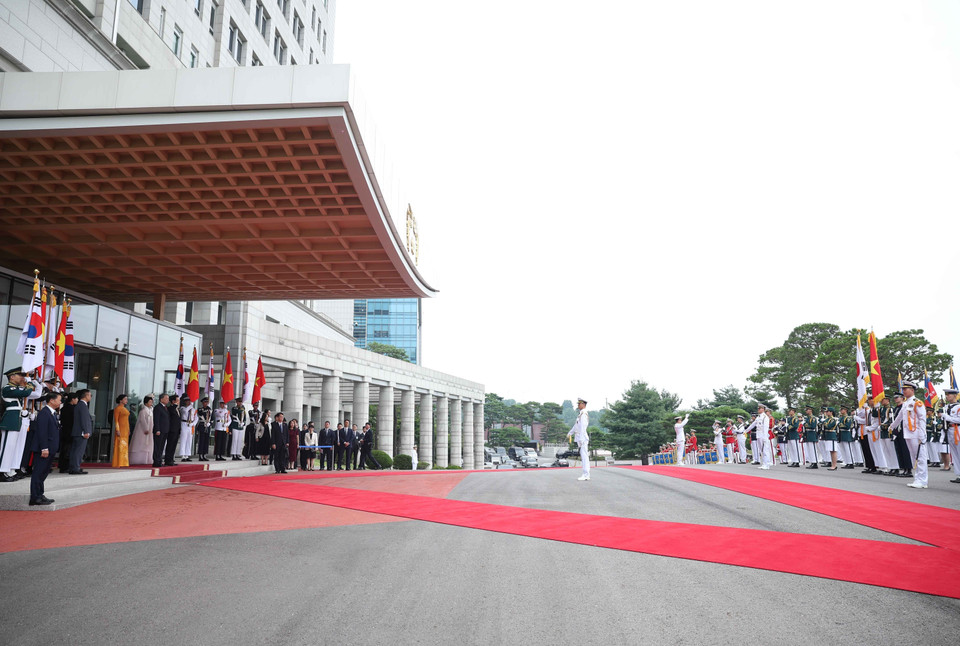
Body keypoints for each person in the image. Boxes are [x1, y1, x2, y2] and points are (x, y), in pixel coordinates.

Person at [1, 368, 36, 482]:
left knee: (13, 447)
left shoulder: (16, 388)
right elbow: (26, 392)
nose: (22, 377)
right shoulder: (8, 388)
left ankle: (9, 470)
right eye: (19, 375)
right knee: (6, 447)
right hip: (10, 420)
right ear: (12, 377)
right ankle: (2, 471)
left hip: (16, 419)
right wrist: (29, 383)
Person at [892, 381, 927, 489]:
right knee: (914, 457)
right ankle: (917, 479)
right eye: (903, 389)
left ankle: (922, 481)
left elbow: (922, 419)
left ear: (912, 390)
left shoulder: (917, 402)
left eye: (905, 389)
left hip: (916, 433)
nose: (903, 391)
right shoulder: (906, 403)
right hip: (908, 433)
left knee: (920, 457)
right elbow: (899, 417)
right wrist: (892, 426)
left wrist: (922, 434)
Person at [30, 391, 62, 506]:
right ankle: (35, 497)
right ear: (52, 400)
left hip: (50, 448)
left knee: (43, 473)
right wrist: (44, 448)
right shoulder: (44, 413)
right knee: (38, 473)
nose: (60, 402)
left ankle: (40, 494)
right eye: (59, 400)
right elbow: (42, 432)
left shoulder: (51, 413)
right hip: (44, 449)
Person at [566, 398, 590, 481]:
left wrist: (582, 439)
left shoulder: (583, 414)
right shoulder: (580, 414)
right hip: (580, 437)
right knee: (583, 457)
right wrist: (570, 433)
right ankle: (585, 474)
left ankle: (586, 474)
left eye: (579, 404)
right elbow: (576, 426)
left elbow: (583, 427)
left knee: (584, 457)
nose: (578, 405)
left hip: (582, 438)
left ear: (583, 404)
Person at [69, 388, 93, 474]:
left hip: (78, 432)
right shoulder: (82, 405)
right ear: (86, 396)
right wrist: (86, 431)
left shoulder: (80, 405)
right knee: (78, 451)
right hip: (81, 432)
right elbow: (84, 420)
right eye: (90, 395)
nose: (90, 397)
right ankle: (75, 468)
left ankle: (74, 467)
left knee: (75, 450)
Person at [939, 388, 960, 483]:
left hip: (957, 430)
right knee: (954, 454)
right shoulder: (946, 407)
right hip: (949, 430)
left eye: (949, 394)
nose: (947, 396)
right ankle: (958, 474)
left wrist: (946, 417)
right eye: (946, 395)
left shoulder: (958, 407)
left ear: (955, 395)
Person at [129, 395, 154, 465]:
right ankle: (138, 459)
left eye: (151, 402)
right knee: (140, 443)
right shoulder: (143, 411)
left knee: (148, 444)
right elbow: (142, 420)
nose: (151, 403)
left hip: (150, 431)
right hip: (142, 431)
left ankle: (147, 459)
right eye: (150, 402)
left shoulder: (151, 411)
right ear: (146, 403)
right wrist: (146, 429)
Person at [57, 392, 78, 473]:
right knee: (68, 449)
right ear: (72, 399)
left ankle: (62, 466)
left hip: (64, 430)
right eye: (76, 398)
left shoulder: (64, 408)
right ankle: (66, 466)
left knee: (64, 449)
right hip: (70, 431)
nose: (77, 400)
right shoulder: (72, 409)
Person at [112, 394, 131, 467]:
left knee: (124, 446)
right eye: (125, 399)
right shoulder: (117, 409)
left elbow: (127, 421)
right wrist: (117, 430)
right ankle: (118, 462)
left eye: (126, 399)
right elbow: (116, 420)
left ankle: (124, 462)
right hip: (121, 429)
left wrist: (128, 429)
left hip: (125, 429)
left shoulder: (125, 408)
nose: (126, 400)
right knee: (120, 445)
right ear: (120, 400)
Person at [151, 393, 170, 468]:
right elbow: (156, 420)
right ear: (161, 399)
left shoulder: (165, 408)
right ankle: (156, 461)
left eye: (168, 398)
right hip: (159, 430)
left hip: (165, 430)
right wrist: (157, 429)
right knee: (157, 446)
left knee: (161, 446)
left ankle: (159, 460)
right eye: (166, 398)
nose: (168, 400)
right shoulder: (158, 407)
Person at [177, 395, 196, 462]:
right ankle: (182, 455)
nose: (189, 402)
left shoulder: (193, 409)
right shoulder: (182, 408)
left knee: (189, 440)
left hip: (190, 425)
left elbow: (196, 418)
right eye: (187, 401)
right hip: (184, 424)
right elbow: (185, 411)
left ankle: (187, 455)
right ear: (185, 402)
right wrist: (190, 406)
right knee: (183, 439)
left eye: (189, 401)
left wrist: (193, 423)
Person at [163, 393, 180, 467]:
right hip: (172, 430)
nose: (179, 402)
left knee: (174, 445)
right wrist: (175, 405)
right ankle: (168, 460)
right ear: (173, 401)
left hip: (177, 430)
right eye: (177, 400)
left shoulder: (177, 409)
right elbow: (171, 413)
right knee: (170, 445)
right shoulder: (170, 408)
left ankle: (171, 459)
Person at [196, 397, 212, 461]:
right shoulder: (200, 409)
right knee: (201, 441)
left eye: (207, 402)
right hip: (202, 425)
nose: (206, 403)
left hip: (207, 426)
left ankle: (204, 454)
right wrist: (206, 411)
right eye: (204, 402)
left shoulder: (210, 409)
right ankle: (200, 455)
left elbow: (212, 417)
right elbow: (200, 414)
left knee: (206, 441)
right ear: (202, 403)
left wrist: (210, 423)